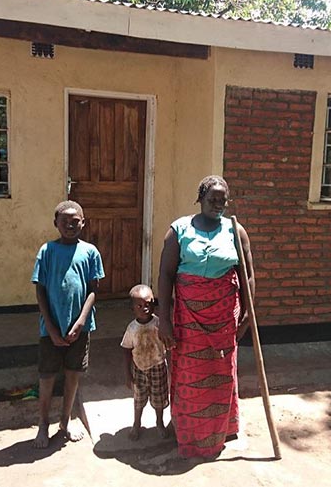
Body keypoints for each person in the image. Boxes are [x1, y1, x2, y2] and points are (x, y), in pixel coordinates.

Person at [157, 175, 255, 459]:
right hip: (188, 316)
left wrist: (248, 312)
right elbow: (165, 275)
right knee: (190, 373)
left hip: (224, 316)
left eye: (223, 199)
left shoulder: (236, 231)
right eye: (212, 198)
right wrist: (164, 319)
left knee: (222, 372)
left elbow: (247, 275)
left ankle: (221, 428)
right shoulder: (179, 230)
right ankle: (189, 432)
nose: (218, 204)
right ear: (200, 198)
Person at [31, 200, 105, 448]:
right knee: (48, 376)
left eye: (76, 222)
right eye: (65, 222)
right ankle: (43, 424)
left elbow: (93, 290)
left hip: (79, 329)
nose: (71, 226)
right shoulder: (47, 251)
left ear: (83, 223)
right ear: (56, 224)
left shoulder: (90, 252)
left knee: (73, 375)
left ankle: (65, 420)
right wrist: (51, 328)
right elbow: (40, 290)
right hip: (50, 328)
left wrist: (81, 320)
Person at [121, 284, 170, 441]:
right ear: (132, 309)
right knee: (139, 399)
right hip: (139, 369)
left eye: (149, 304)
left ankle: (159, 422)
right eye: (140, 306)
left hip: (158, 367)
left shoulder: (159, 324)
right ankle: (136, 424)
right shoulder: (132, 328)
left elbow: (168, 342)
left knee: (159, 399)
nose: (145, 308)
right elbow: (126, 349)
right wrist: (128, 374)